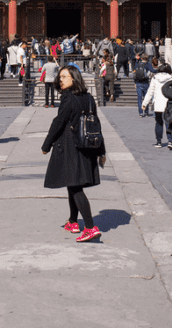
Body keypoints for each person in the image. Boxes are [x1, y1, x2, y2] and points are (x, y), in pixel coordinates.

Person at [40, 65, 106, 243]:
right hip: (87, 146)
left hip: (71, 147)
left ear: (74, 79)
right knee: (72, 183)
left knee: (75, 186)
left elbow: (58, 122)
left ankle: (90, 227)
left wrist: (46, 144)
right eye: (60, 77)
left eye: (64, 77)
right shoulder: (89, 97)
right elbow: (96, 125)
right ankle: (73, 221)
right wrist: (101, 150)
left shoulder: (68, 98)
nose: (60, 80)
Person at [142, 60, 172, 149]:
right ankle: (170, 140)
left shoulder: (155, 78)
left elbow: (150, 91)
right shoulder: (171, 79)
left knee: (159, 123)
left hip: (157, 105)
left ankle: (159, 141)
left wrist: (145, 103)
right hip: (168, 104)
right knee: (168, 123)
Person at [132, 52, 155, 117]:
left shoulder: (137, 64)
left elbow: (134, 74)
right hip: (146, 83)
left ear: (141, 58)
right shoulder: (148, 64)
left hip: (138, 83)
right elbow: (153, 71)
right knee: (146, 98)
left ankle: (141, 113)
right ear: (147, 58)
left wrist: (135, 82)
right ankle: (147, 111)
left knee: (139, 99)